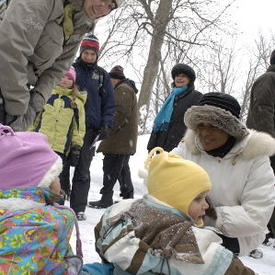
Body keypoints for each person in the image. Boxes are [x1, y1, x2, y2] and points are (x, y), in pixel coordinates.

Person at [91, 147, 255, 275]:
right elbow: (223, 265)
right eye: (199, 198)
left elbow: (101, 237)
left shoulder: (124, 210)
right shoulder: (184, 238)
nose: (206, 205)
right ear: (177, 198)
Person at [173, 92, 275, 257]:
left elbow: (257, 214)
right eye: (201, 125)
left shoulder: (255, 157)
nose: (205, 133)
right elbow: (160, 177)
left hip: (234, 235)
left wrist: (206, 215)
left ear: (230, 129)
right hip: (188, 223)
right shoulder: (188, 147)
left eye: (213, 126)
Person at [0, 0, 124, 131]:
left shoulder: (79, 23)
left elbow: (56, 71)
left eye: (110, 6)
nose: (103, 8)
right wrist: (16, 109)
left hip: (13, 91)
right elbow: (11, 50)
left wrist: (33, 107)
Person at [0, 124, 84, 274]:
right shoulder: (36, 225)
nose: (59, 181)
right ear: (43, 184)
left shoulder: (13, 217)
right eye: (56, 176)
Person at [61, 34, 115, 220]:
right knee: (61, 166)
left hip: (90, 130)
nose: (90, 56)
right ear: (81, 52)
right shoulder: (71, 69)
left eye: (93, 54)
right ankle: (58, 202)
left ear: (97, 55)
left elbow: (109, 103)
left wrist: (106, 123)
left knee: (83, 169)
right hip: (67, 126)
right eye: (87, 53)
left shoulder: (102, 75)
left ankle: (78, 208)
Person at [30, 66, 87, 199]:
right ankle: (35, 201)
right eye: (63, 76)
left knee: (56, 178)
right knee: (39, 175)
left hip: (61, 147)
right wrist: (28, 134)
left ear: (73, 81)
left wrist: (76, 145)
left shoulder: (76, 102)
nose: (65, 80)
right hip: (41, 144)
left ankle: (56, 203)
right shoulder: (47, 95)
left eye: (69, 78)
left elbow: (79, 128)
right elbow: (34, 119)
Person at [89, 65, 138, 209]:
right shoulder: (125, 89)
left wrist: (106, 130)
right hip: (123, 140)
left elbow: (119, 114)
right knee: (121, 168)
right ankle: (127, 197)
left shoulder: (122, 90)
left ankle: (106, 198)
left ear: (114, 80)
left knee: (110, 168)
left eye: (110, 80)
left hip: (118, 139)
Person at [247, 49, 275, 243]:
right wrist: (270, 142)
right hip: (267, 145)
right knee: (265, 188)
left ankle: (267, 231)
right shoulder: (269, 79)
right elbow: (262, 110)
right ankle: (260, 230)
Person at [147, 63, 202, 152]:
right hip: (161, 149)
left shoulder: (197, 97)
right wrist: (151, 147)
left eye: (183, 76)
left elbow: (198, 125)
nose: (179, 78)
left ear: (189, 80)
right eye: (177, 75)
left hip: (181, 150)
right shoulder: (170, 98)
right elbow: (159, 123)